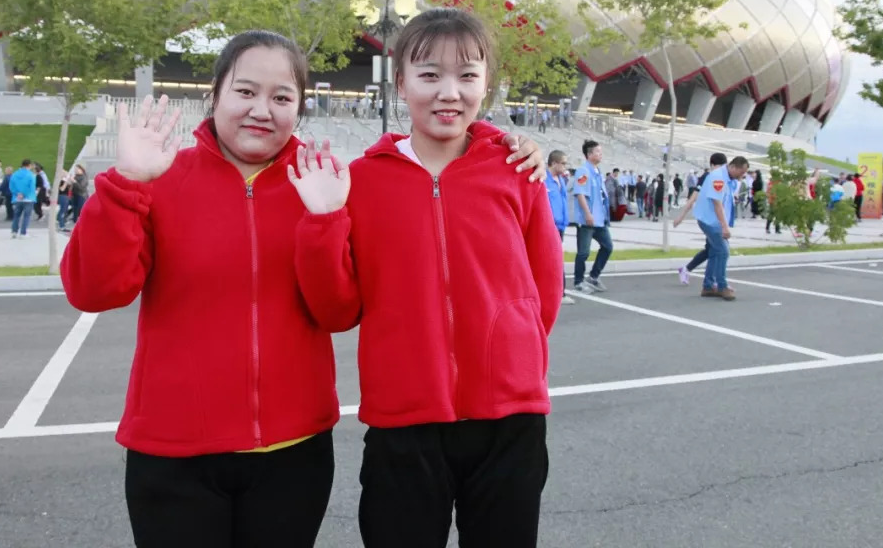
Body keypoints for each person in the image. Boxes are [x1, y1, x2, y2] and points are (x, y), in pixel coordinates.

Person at [61, 29, 547, 548]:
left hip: (292, 453)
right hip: (174, 449)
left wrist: (323, 219)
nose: (261, 110)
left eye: (282, 97)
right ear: (215, 94)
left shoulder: (322, 185)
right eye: (245, 92)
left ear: (301, 107)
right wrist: (127, 183)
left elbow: (339, 310)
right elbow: (94, 291)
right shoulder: (161, 178)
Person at [290, 9, 560, 548]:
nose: (449, 92)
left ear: (487, 83)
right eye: (429, 74)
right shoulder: (362, 181)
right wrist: (322, 222)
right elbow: (337, 311)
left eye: (467, 75)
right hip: (403, 423)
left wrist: (511, 353)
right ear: (400, 83)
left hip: (510, 419)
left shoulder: (516, 172)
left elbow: (544, 291)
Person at [692, 156, 750, 300]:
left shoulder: (727, 178)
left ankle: (708, 286)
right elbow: (717, 203)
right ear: (734, 167)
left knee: (714, 252)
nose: (742, 176)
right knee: (723, 252)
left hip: (713, 220)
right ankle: (722, 286)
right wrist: (724, 227)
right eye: (741, 172)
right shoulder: (718, 177)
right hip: (711, 221)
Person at [673, 153, 728, 286]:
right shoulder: (706, 178)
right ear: (712, 165)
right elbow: (693, 198)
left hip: (715, 220)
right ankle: (712, 281)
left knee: (711, 249)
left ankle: (688, 269)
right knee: (718, 249)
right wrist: (681, 215)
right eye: (719, 167)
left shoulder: (721, 177)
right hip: (709, 220)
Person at [572, 139, 613, 294]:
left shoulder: (597, 172)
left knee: (608, 246)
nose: (600, 154)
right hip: (587, 220)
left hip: (599, 220)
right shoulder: (584, 171)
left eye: (601, 152)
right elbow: (580, 194)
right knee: (583, 252)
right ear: (589, 154)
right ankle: (578, 281)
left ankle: (593, 276)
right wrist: (587, 214)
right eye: (597, 152)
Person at [546, 150, 574, 304]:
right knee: (555, 258)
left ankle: (557, 292)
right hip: (549, 225)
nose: (565, 166)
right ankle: (560, 293)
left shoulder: (561, 181)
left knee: (555, 258)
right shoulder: (543, 180)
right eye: (563, 163)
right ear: (554, 163)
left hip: (560, 225)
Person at [9, 159, 37, 238]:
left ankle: (14, 231)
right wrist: (24, 194)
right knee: (26, 216)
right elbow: (31, 187)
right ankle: (23, 232)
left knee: (16, 215)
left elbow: (11, 186)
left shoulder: (15, 174)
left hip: (17, 198)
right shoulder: (31, 175)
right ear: (29, 165)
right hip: (28, 198)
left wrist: (17, 193)